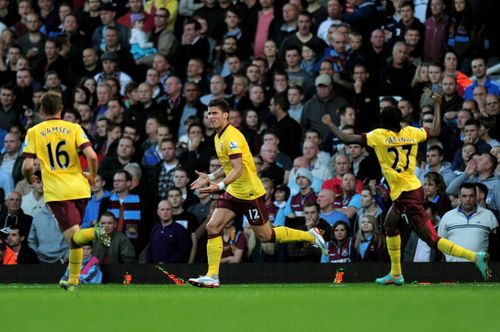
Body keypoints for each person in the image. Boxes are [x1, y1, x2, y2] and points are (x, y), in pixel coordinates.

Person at [321, 94, 491, 284]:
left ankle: (475, 257)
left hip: (406, 193)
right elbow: (435, 130)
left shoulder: (379, 136)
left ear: (383, 122)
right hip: (410, 188)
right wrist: (436, 105)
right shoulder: (411, 132)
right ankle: (396, 274)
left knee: (431, 239)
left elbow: (345, 137)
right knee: (389, 226)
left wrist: (329, 123)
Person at [188, 99, 327, 288]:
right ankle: (212, 275)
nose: (210, 117)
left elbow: (237, 169)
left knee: (266, 236)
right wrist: (211, 175)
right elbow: (228, 166)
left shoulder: (232, 137)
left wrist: (218, 185)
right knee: (213, 226)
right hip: (234, 191)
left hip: (250, 193)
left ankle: (311, 236)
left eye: (214, 113)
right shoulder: (218, 136)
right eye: (209, 113)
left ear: (225, 115)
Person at [21, 91, 110, 291]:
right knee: (74, 236)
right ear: (61, 109)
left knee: (74, 237)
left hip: (57, 192)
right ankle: (73, 281)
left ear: (41, 109)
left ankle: (95, 232)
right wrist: (93, 175)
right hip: (80, 188)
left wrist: (30, 178)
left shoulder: (34, 131)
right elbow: (92, 156)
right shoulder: (74, 128)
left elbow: (27, 165)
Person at [438, 183, 498, 262]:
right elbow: (440, 241)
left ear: (476, 197)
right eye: (464, 196)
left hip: (480, 268)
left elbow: (496, 244)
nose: (468, 199)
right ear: (459, 197)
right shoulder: (448, 216)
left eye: (471, 196)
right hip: (453, 268)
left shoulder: (489, 215)